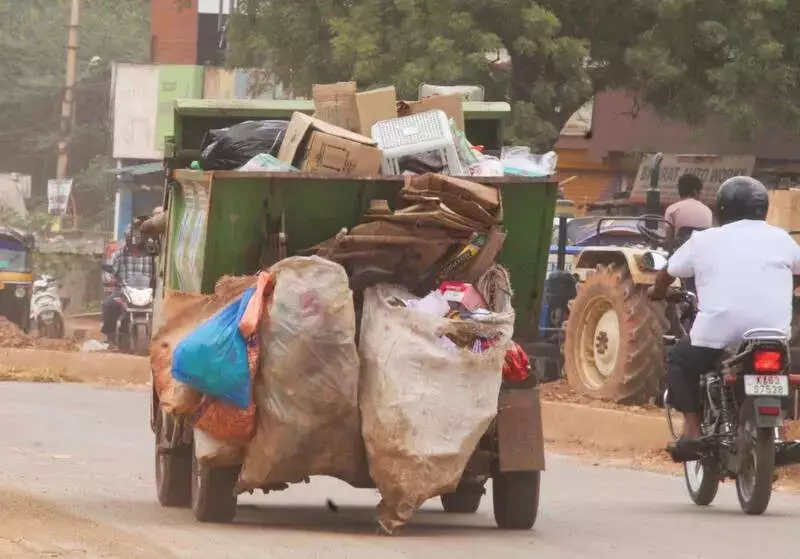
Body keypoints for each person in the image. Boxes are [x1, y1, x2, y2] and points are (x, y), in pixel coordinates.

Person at [648, 176, 800, 460]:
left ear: (722, 208)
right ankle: (780, 433)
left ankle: (692, 430)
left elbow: (670, 271)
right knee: (779, 371)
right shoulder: (781, 237)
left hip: (719, 335)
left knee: (679, 360)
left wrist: (657, 290)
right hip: (771, 336)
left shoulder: (705, 239)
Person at [100, 220, 155, 342]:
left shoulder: (151, 255)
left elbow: (157, 274)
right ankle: (111, 336)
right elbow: (108, 273)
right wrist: (111, 280)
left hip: (146, 292)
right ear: (127, 238)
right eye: (133, 237)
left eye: (139, 237)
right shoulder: (119, 254)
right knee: (110, 305)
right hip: (123, 291)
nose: (136, 241)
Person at [664, 173, 713, 243]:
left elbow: (668, 239)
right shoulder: (708, 211)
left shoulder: (672, 209)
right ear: (695, 191)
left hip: (680, 251)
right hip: (701, 251)